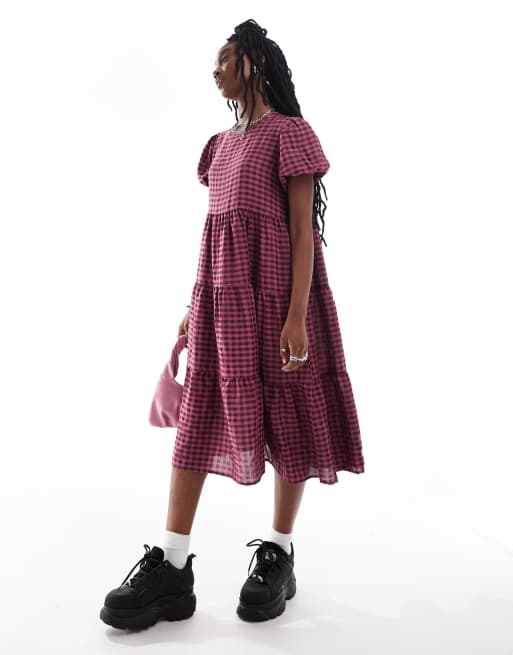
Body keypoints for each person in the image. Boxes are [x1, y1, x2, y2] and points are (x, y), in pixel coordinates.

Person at [100, 18, 365, 630]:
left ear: (254, 62)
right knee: (197, 419)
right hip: (223, 305)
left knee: (289, 419)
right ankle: (172, 566)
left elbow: (302, 232)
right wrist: (196, 304)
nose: (215, 70)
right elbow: (218, 235)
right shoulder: (219, 145)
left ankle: (278, 552)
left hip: (280, 303)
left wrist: (296, 316)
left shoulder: (290, 134)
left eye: (225, 59)